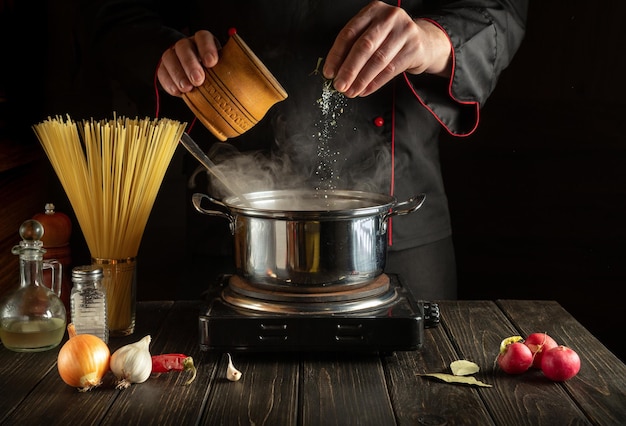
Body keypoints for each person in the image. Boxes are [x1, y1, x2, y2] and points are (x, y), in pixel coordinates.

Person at [83, 0, 528, 300]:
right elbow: (117, 13)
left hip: (398, 234)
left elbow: (502, 7)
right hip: (235, 230)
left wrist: (433, 40)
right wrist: (164, 55)